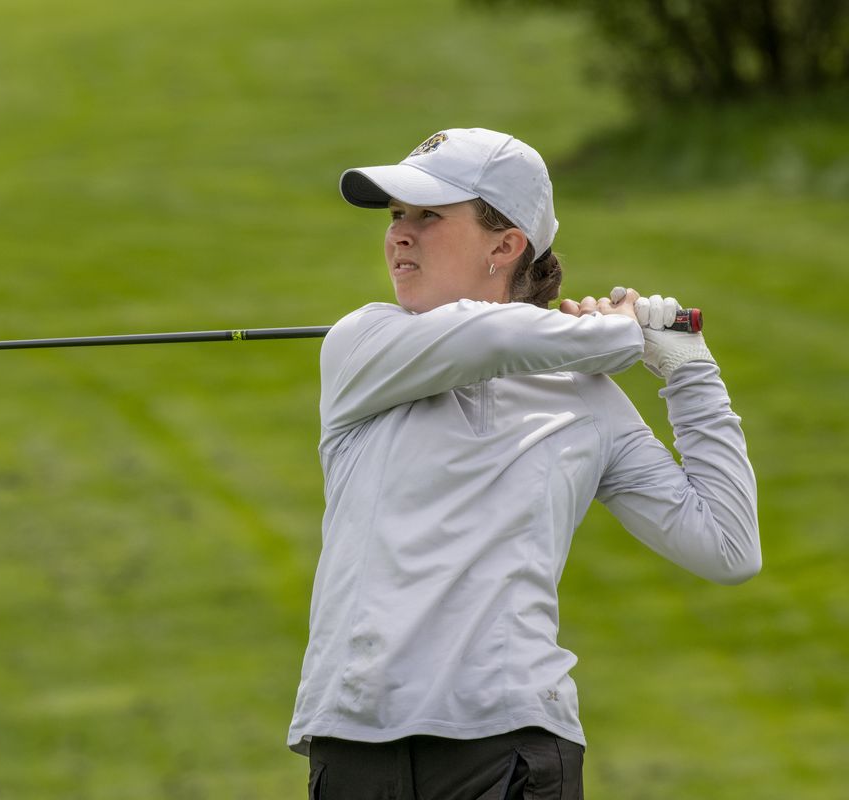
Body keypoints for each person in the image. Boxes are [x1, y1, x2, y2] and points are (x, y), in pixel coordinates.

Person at [288, 127, 760, 799]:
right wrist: (620, 329)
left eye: (427, 215)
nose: (398, 235)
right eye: (396, 216)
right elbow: (491, 336)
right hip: (353, 750)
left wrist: (689, 370)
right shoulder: (363, 344)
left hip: (509, 749)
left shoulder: (587, 398)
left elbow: (727, 545)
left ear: (504, 244)